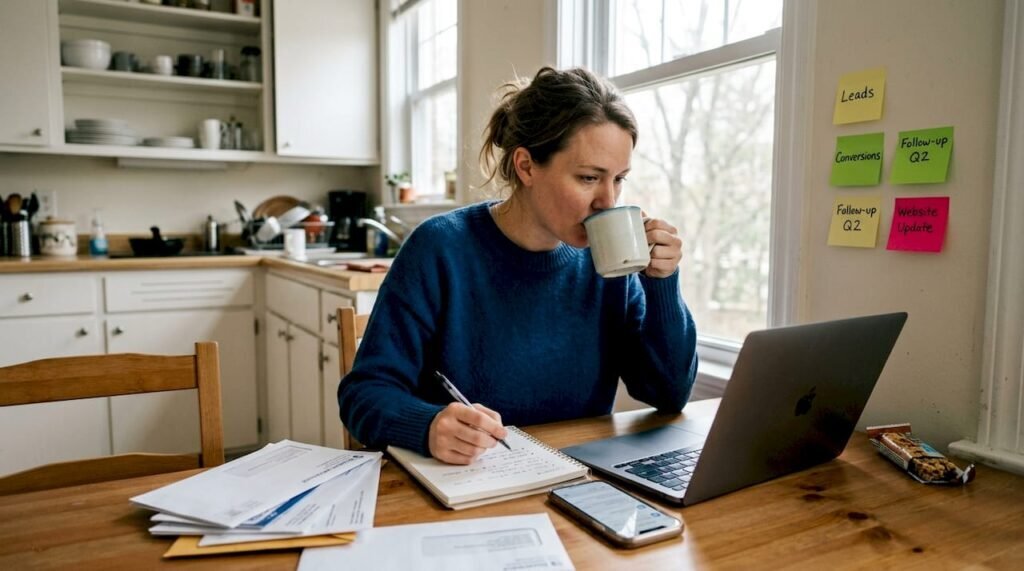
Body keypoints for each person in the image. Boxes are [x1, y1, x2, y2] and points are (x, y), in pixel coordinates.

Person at [338, 67, 698, 465]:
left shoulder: (609, 263)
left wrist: (662, 283)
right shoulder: (440, 248)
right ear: (526, 166)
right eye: (588, 178)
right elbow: (364, 393)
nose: (608, 202)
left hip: (578, 479)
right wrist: (427, 425)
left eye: (619, 179)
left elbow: (668, 394)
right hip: (465, 487)